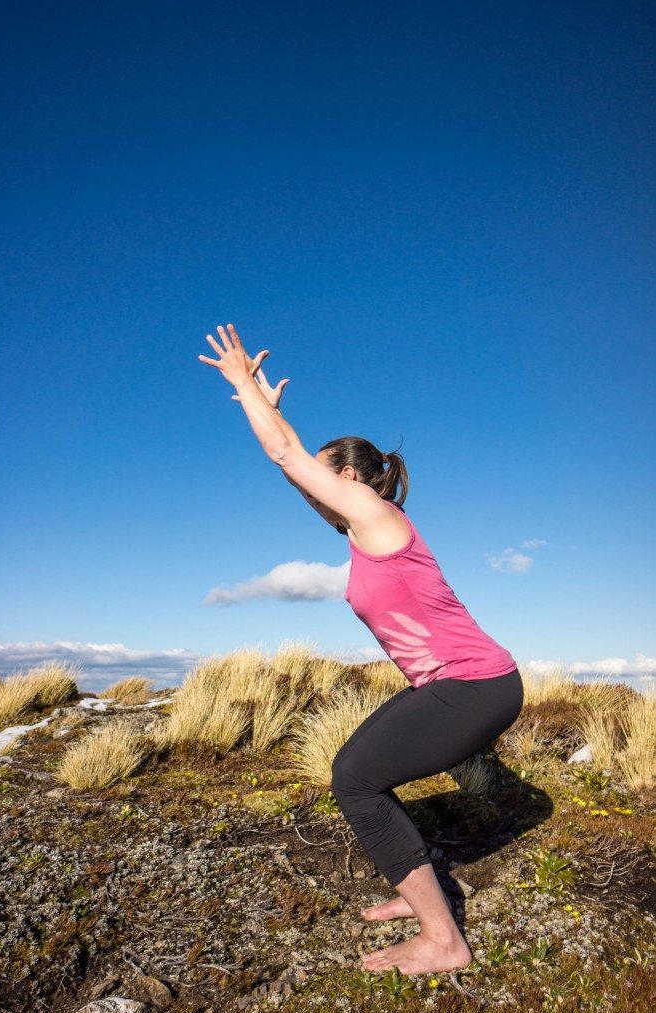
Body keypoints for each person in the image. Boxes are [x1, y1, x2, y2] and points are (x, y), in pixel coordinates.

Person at [199, 323, 524, 976]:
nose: (314, 487)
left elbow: (287, 458)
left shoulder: (378, 516)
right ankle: (417, 890)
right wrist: (271, 413)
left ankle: (442, 940)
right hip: (453, 684)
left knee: (354, 779)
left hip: (474, 684)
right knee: (358, 771)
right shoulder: (360, 525)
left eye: (324, 475)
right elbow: (295, 470)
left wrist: (242, 385)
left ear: (348, 476)